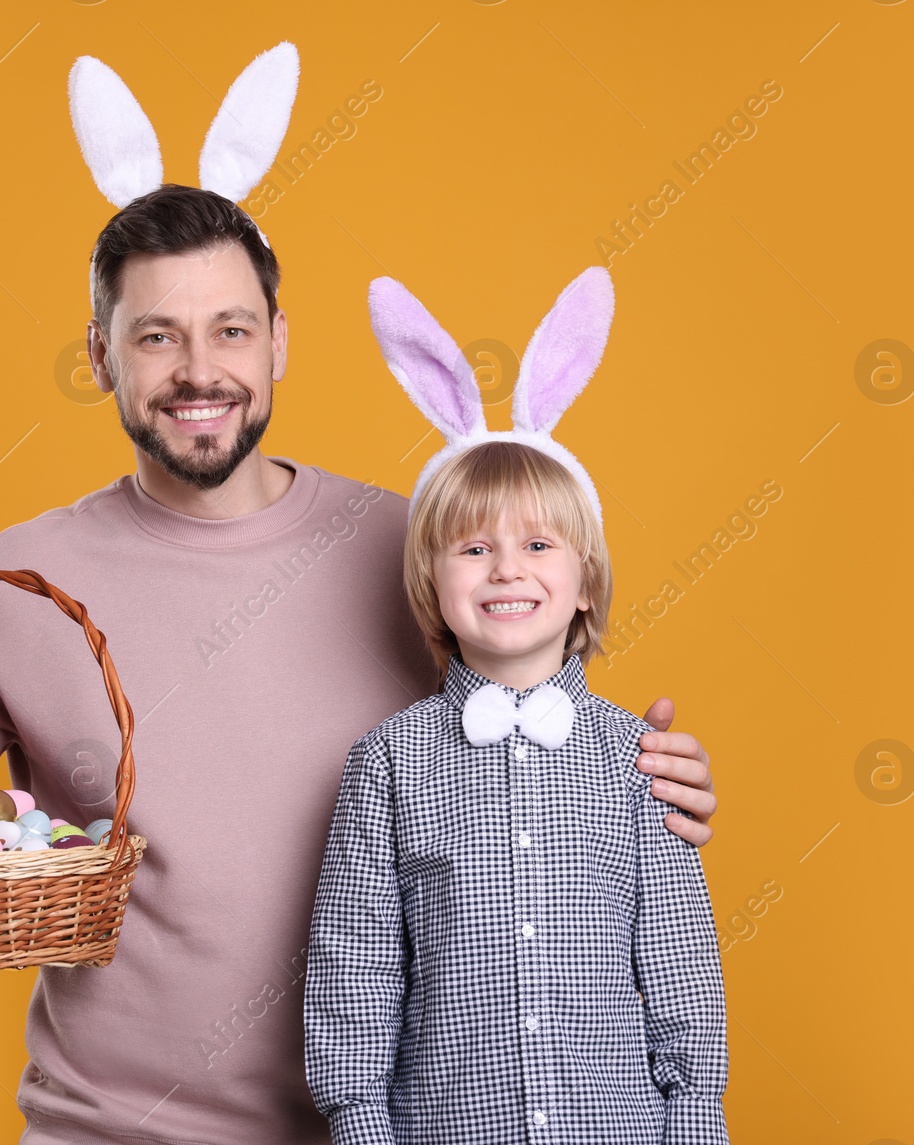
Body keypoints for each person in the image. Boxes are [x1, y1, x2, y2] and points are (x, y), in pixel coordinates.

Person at [0, 48, 718, 1145]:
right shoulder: (18, 589)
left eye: (230, 330)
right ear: (100, 355)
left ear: (279, 342)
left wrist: (645, 771)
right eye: (155, 334)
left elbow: (531, 735)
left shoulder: (415, 543)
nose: (197, 370)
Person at [304, 272, 727, 1143]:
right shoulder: (386, 763)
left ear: (583, 583)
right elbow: (355, 966)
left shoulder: (637, 758)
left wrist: (693, 1116)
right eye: (473, 546)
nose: (506, 568)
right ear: (431, 579)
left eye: (539, 543)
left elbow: (681, 964)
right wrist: (361, 1125)